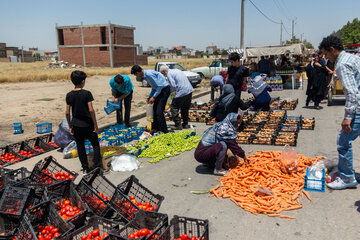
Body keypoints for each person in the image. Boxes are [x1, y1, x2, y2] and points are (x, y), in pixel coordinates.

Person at [320, 35, 360, 190]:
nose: (326, 58)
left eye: (326, 54)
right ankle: (347, 172)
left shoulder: (342, 64)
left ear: (332, 50)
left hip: (358, 108)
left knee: (343, 142)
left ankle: (347, 178)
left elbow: (352, 93)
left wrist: (348, 117)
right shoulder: (352, 58)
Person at [65, 70, 102, 174]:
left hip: (76, 124)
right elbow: (91, 110)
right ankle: (97, 165)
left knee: (80, 146)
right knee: (95, 144)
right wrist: (95, 124)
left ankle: (85, 168)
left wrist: (70, 126)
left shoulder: (69, 95)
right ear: (82, 81)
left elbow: (67, 112)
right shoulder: (87, 93)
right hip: (88, 124)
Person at [131, 65, 170, 133]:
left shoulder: (149, 75)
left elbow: (160, 86)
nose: (137, 76)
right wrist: (150, 97)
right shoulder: (146, 76)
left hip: (164, 90)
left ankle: (164, 131)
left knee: (159, 111)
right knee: (154, 110)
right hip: (159, 90)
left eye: (136, 75)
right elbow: (154, 87)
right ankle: (155, 128)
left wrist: (154, 97)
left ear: (138, 72)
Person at [160, 65, 193, 130]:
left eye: (163, 74)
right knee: (185, 108)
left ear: (164, 71)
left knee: (174, 108)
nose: (164, 76)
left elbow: (173, 85)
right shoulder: (176, 70)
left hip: (181, 92)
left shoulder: (169, 74)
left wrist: (169, 92)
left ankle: (178, 124)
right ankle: (185, 124)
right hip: (189, 90)